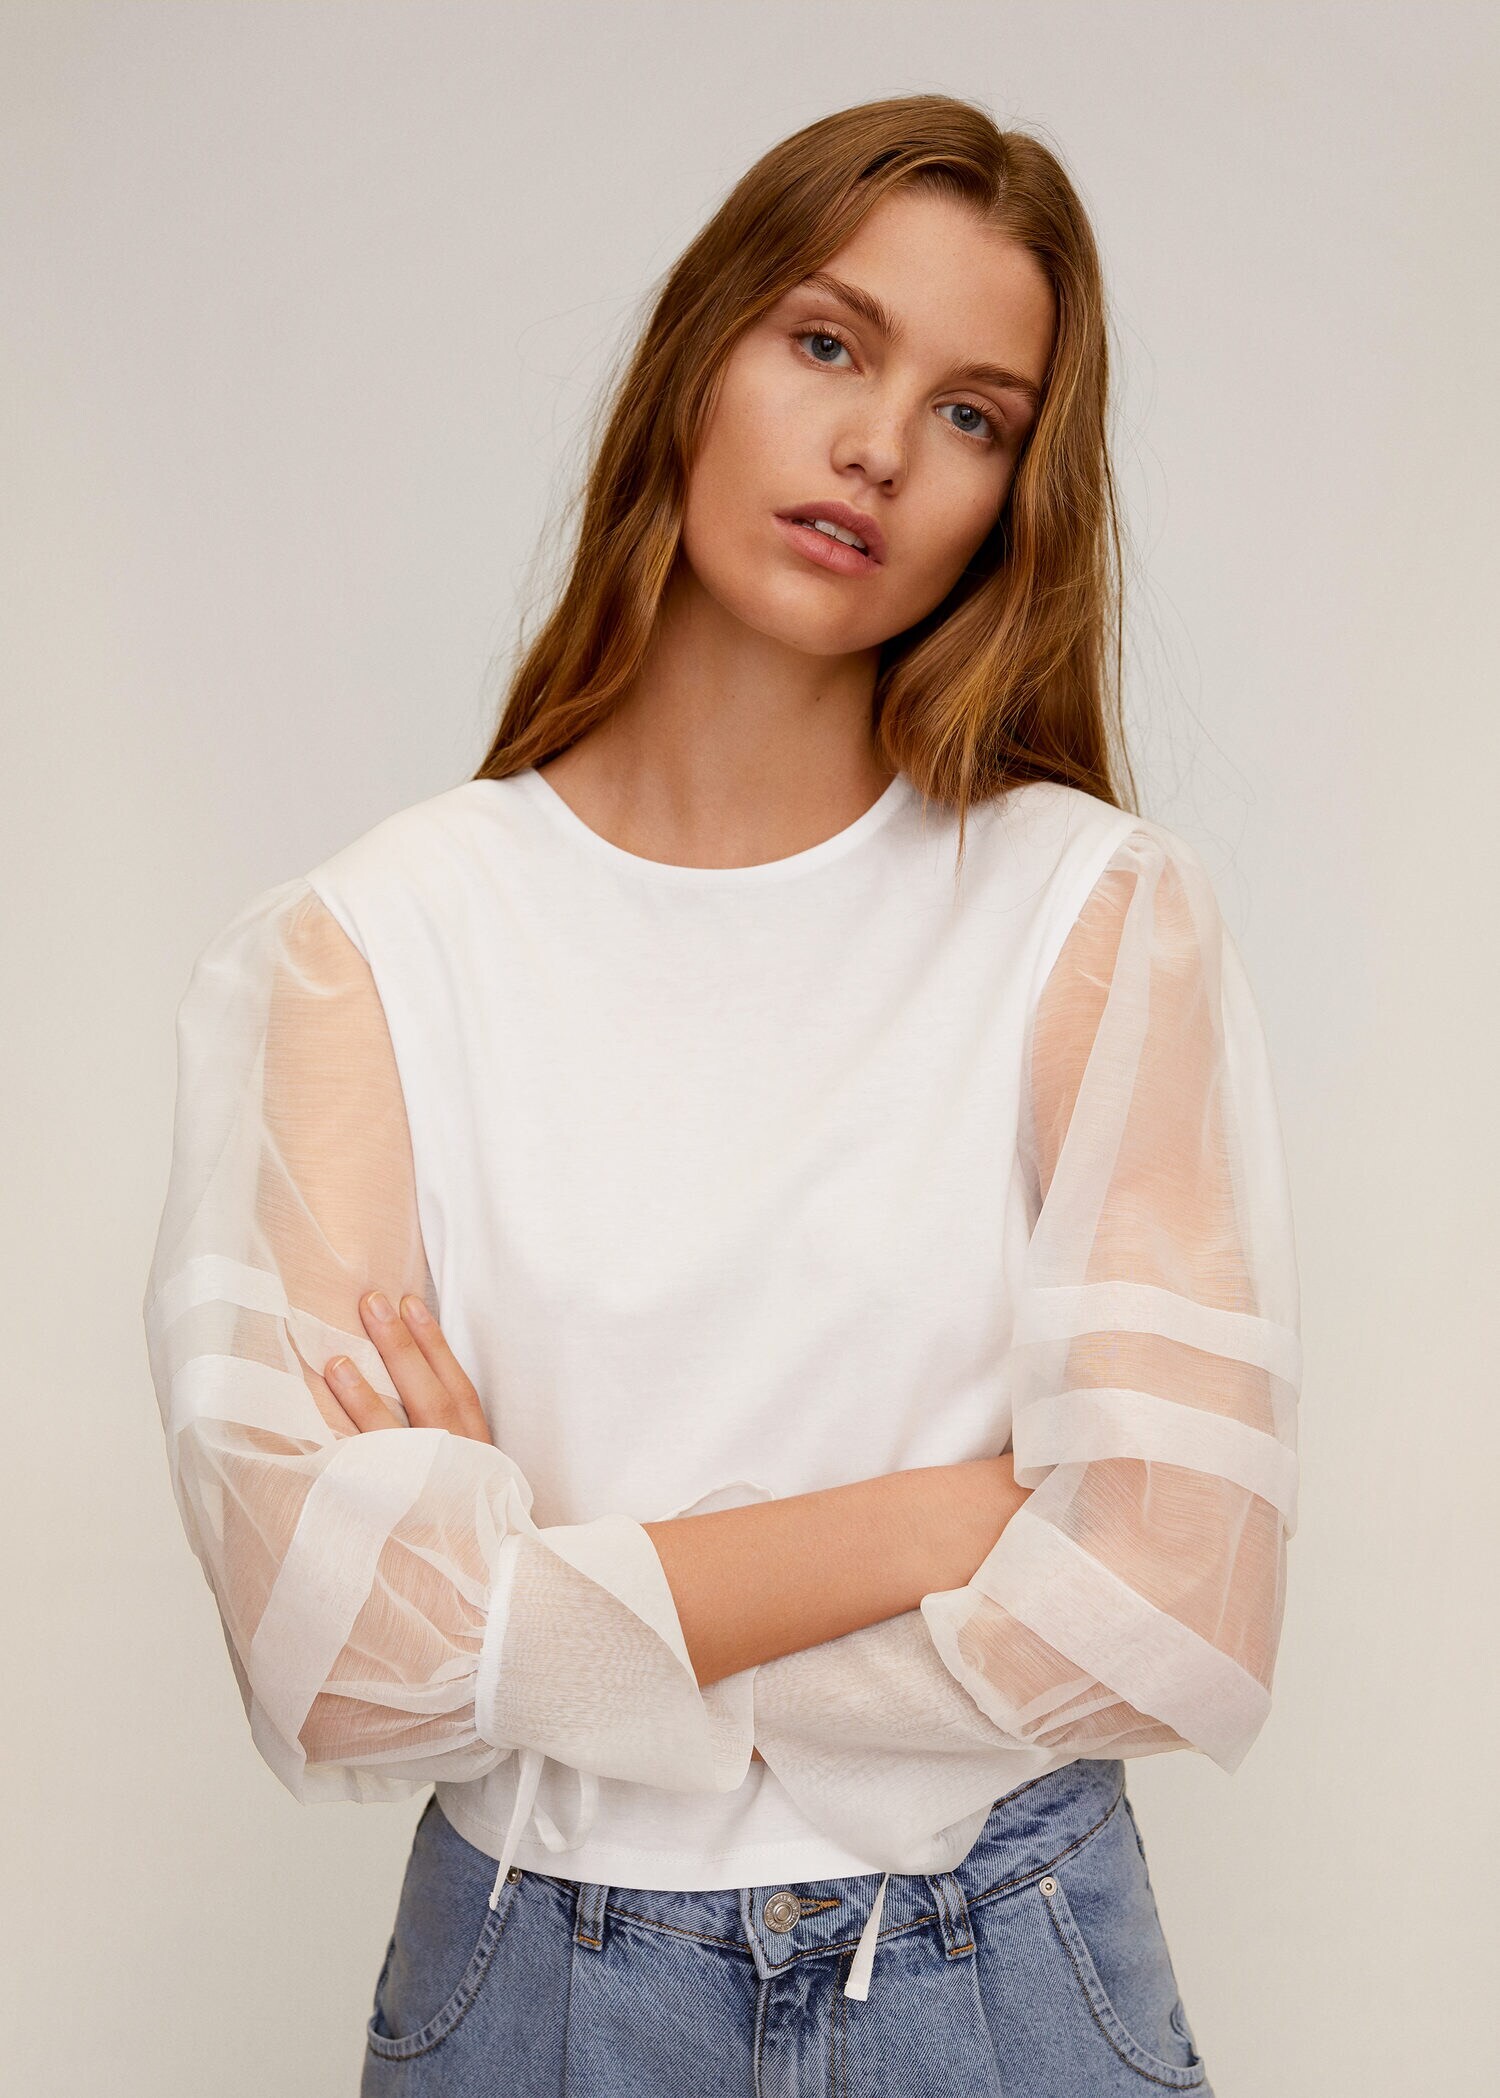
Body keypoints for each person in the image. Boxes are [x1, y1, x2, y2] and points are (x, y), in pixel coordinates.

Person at [141, 93, 1300, 2095]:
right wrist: (967, 1507)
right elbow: (340, 1657)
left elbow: (1171, 1596)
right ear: (700, 353)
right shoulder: (368, 948)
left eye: (973, 414)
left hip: (996, 1968)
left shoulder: (1093, 918)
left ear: (1014, 495)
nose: (879, 447)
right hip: (537, 1981)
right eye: (830, 343)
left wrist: (540, 1592)